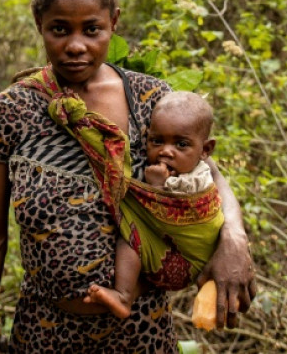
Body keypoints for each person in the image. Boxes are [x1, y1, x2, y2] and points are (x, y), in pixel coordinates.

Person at [0, 0, 256, 353]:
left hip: (143, 331)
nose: (75, 46)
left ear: (114, 22)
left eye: (92, 29)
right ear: (39, 24)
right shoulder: (9, 112)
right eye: (59, 29)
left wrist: (234, 238)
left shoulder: (151, 99)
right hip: (44, 332)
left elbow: (210, 175)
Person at [84, 91, 223, 319]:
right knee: (136, 240)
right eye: (157, 141)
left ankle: (123, 294)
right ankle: (127, 296)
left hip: (193, 259)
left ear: (205, 150)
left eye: (181, 144)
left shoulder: (198, 178)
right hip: (166, 255)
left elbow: (171, 209)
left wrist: (157, 187)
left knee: (132, 236)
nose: (166, 151)